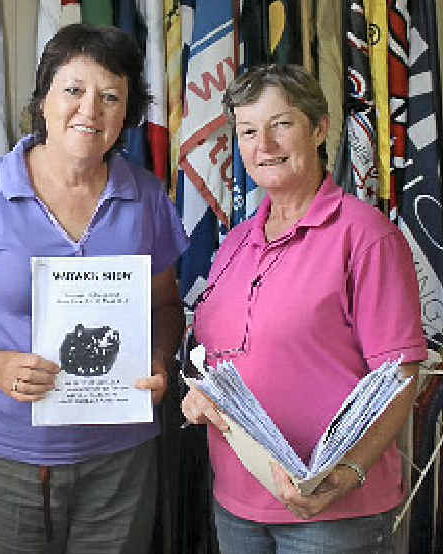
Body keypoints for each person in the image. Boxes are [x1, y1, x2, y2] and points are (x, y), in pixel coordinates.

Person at [0, 23, 188, 554]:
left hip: (119, 457)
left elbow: (165, 306)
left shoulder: (148, 197)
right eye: (74, 90)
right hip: (4, 453)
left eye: (111, 97)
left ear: (126, 117)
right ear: (43, 101)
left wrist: (157, 360)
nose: (91, 109)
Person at [180, 64, 426, 553]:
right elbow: (217, 357)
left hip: (333, 509)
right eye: (248, 131)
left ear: (318, 129)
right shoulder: (236, 243)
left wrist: (351, 470)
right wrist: (198, 397)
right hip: (238, 500)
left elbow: (400, 374)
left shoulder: (366, 236)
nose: (263, 145)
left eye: (281, 125)